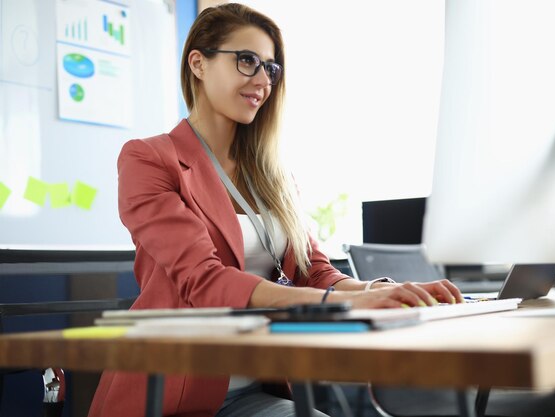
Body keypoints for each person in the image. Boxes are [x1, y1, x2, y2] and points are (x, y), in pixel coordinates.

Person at [88, 4, 463, 417]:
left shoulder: (272, 176)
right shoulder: (149, 159)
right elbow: (205, 282)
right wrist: (342, 304)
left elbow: (314, 270)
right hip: (178, 394)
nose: (263, 80)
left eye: (271, 68)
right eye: (247, 61)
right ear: (198, 63)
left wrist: (380, 291)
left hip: (258, 387)